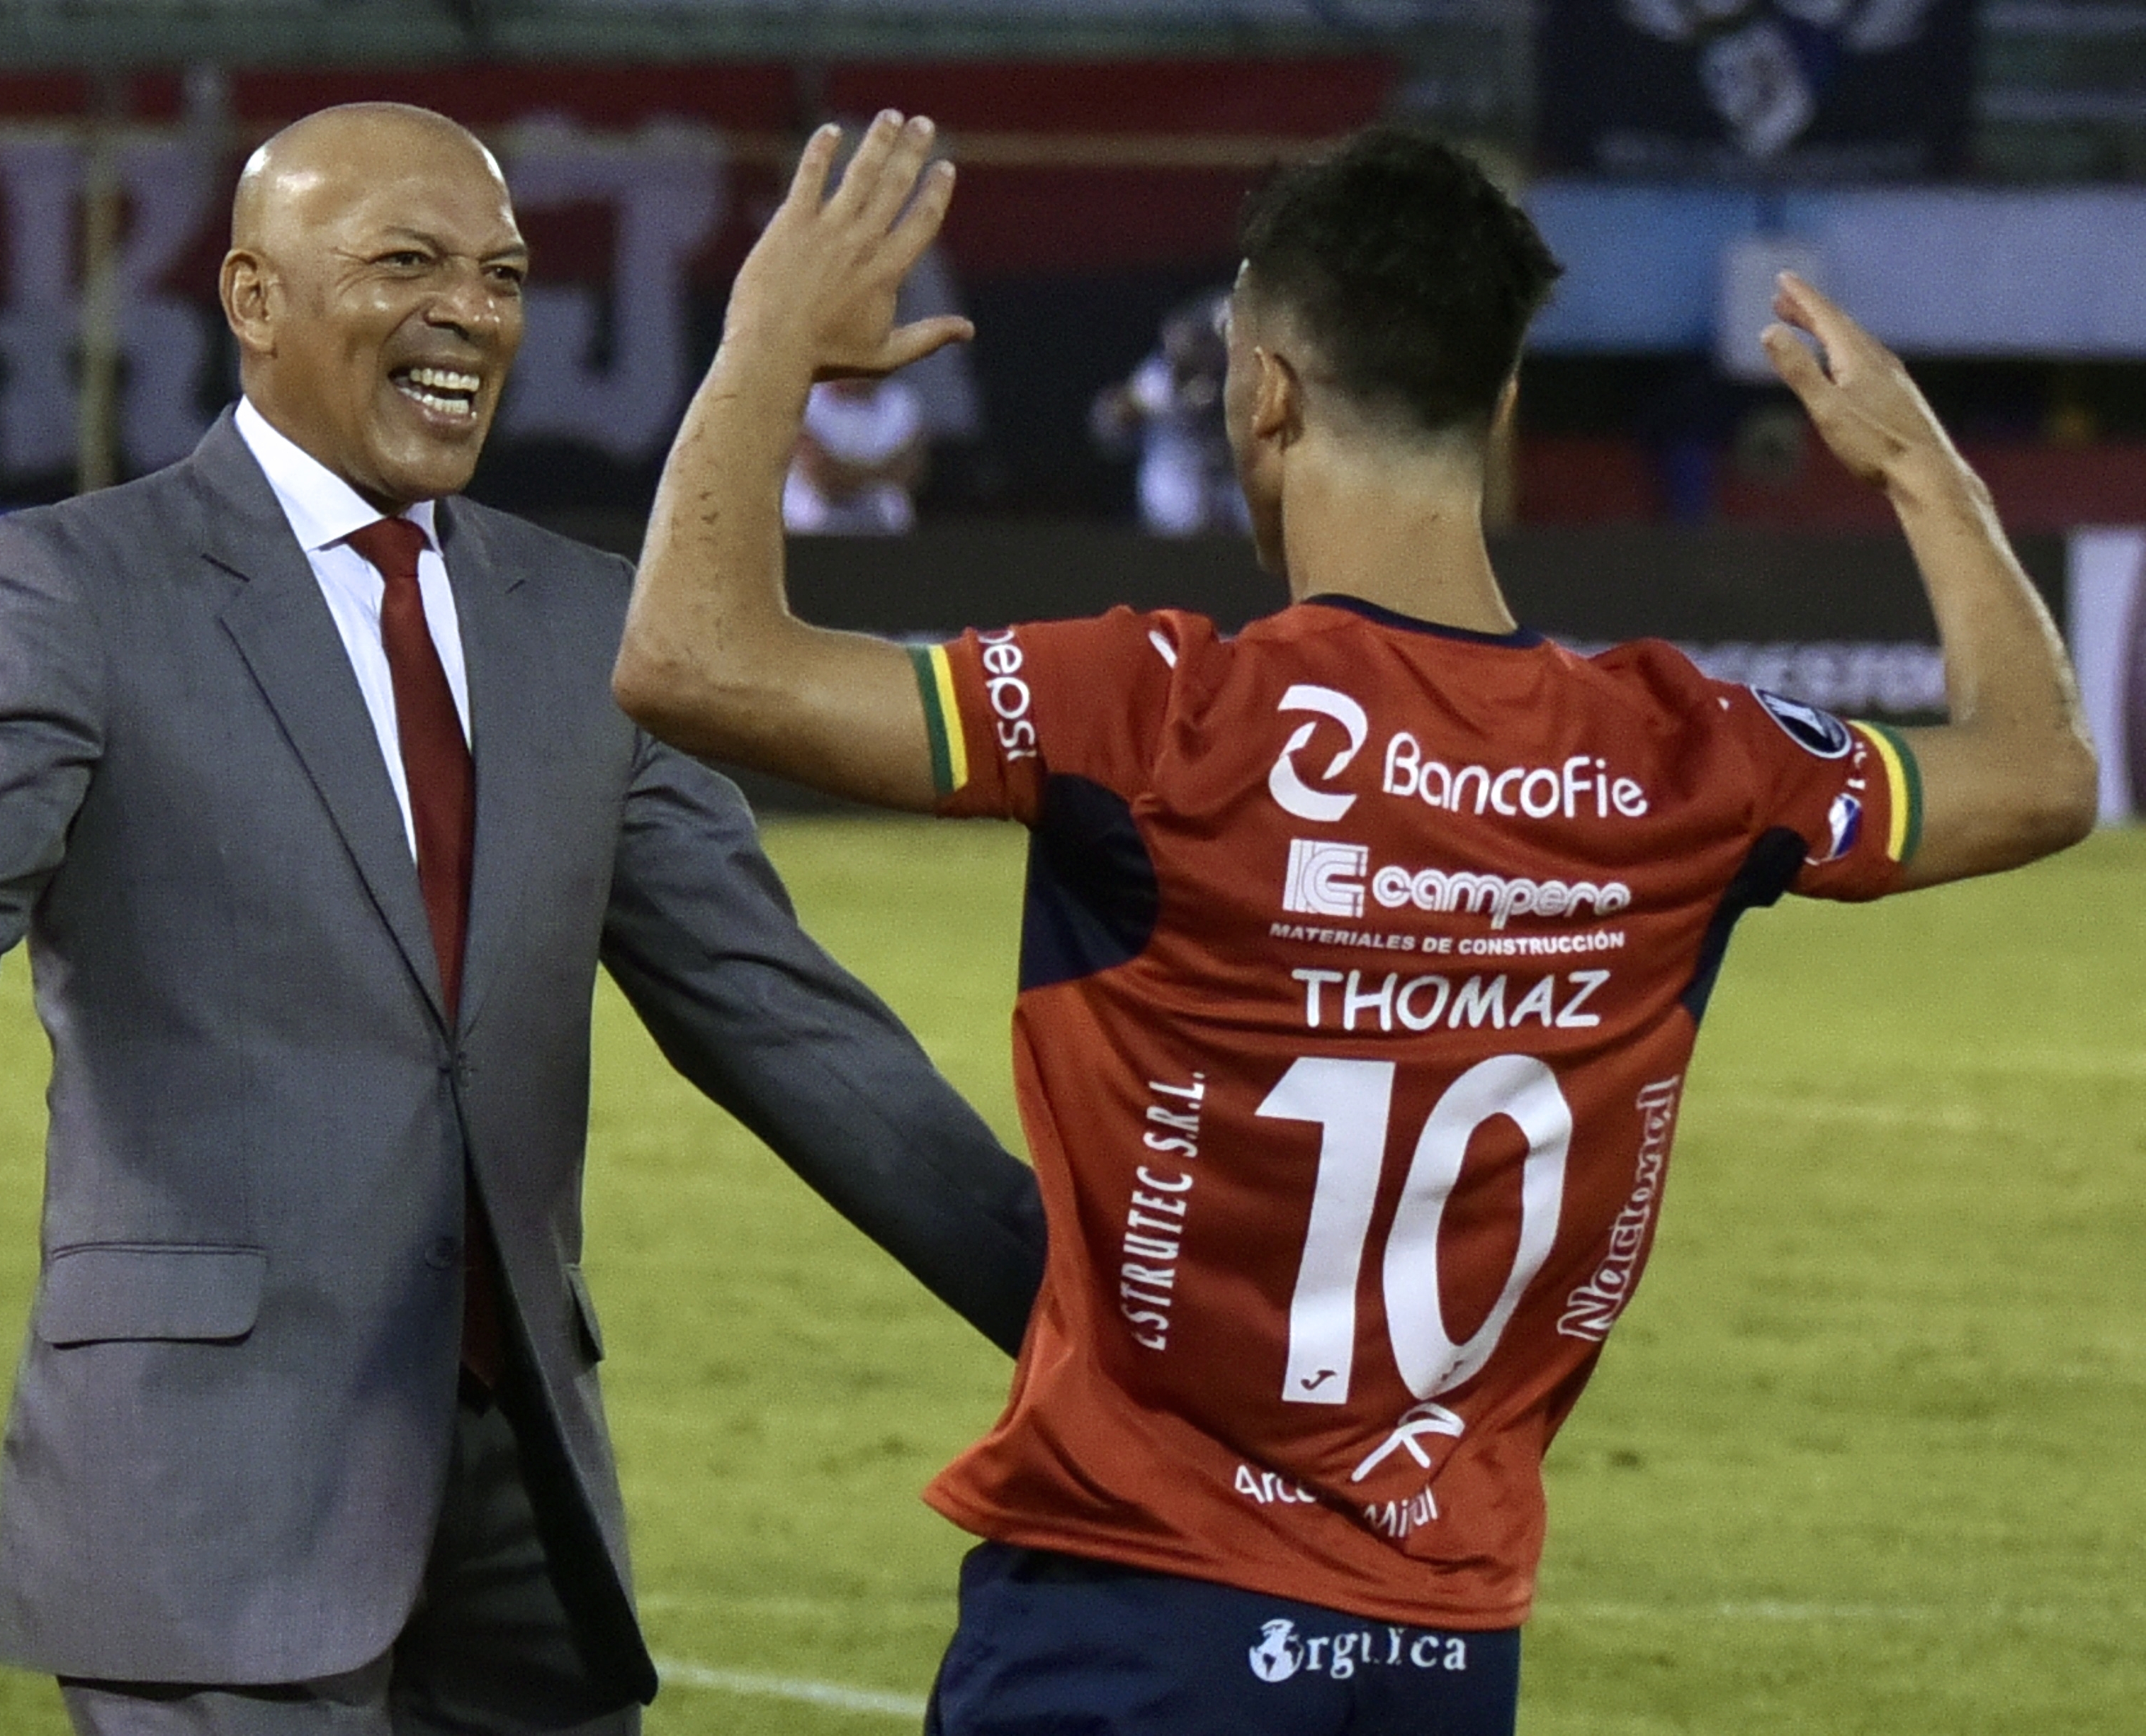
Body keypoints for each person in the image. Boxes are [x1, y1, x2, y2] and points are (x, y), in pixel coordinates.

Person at [612, 118, 2096, 1734]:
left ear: (1264, 393)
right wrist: (1916, 465)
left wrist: (766, 335)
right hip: (1438, 1648)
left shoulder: (1161, 714)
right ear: (1503, 404)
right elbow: (2037, 773)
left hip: (1132, 1617)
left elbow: (695, 660)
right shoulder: (1687, 756)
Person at [0, 102, 1046, 1736]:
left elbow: (782, 1019)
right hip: (206, 1487)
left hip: (518, 1507)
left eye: (501, 276)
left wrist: (1088, 1312)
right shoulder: (78, 586)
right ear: (253, 297)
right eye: (407, 263)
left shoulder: (582, 627)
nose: (473, 314)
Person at [1090, 289, 1250, 537]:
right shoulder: (1160, 376)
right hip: (1178, 493)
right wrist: (1140, 403)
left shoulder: (1249, 371)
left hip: (1233, 490)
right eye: (1202, 339)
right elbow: (1110, 428)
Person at [783, 375, 928, 534]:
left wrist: (845, 469)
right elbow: (824, 477)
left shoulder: (900, 400)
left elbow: (912, 472)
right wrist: (885, 469)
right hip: (814, 533)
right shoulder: (797, 400)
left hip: (886, 531)